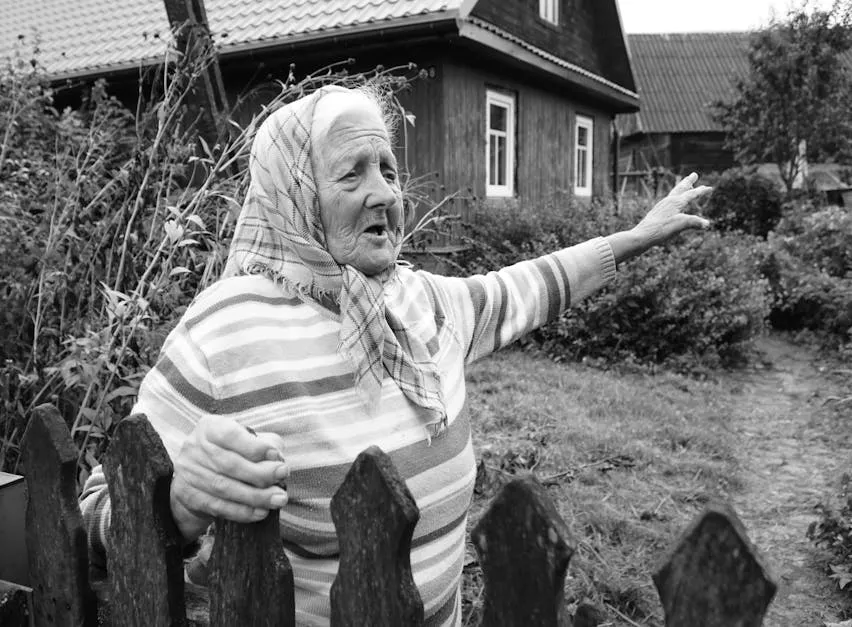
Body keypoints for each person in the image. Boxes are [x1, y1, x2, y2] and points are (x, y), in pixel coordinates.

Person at [79, 85, 711, 625]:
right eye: (352, 172)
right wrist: (180, 503)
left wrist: (633, 240)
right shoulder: (225, 329)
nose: (383, 192)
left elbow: (524, 289)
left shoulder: (419, 302)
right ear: (293, 192)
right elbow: (99, 516)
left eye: (388, 168)